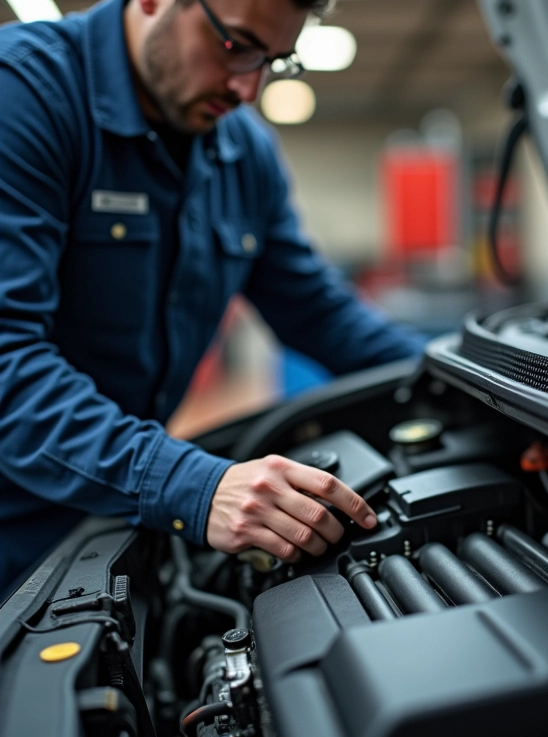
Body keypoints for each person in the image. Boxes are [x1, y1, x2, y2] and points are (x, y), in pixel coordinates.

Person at [0, 0, 425, 597]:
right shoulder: (24, 95)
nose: (248, 89)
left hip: (107, 526)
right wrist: (193, 486)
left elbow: (318, 312)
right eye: (235, 45)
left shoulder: (242, 150)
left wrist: (459, 379)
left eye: (274, 61)